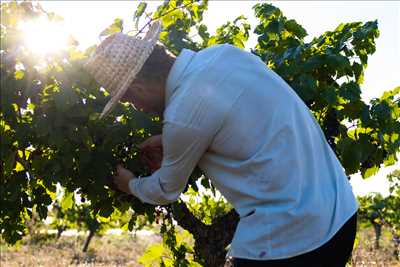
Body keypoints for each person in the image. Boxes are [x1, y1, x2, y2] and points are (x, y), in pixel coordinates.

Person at [84, 21, 358, 267]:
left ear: (139, 87)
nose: (138, 108)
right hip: (341, 214)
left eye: (129, 100)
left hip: (292, 242)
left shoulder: (183, 115)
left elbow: (166, 190)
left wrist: (129, 184)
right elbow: (238, 121)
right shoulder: (225, 54)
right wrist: (172, 140)